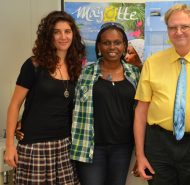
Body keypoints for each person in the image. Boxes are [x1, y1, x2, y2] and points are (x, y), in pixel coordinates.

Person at [133, 4, 190, 185]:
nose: (178, 32)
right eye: (173, 27)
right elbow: (141, 112)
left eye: (184, 26)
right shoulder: (152, 63)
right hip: (158, 143)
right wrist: (140, 155)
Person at [4, 10, 85, 184]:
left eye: (67, 31)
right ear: (49, 36)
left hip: (64, 145)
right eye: (57, 32)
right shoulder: (34, 64)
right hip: (35, 145)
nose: (63, 36)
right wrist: (10, 146)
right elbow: (14, 105)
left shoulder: (75, 67)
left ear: (73, 35)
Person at [70, 22, 140, 185]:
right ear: (99, 46)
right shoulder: (84, 73)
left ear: (124, 46)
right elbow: (64, 102)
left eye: (117, 42)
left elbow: (142, 111)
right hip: (91, 147)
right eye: (106, 43)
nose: (112, 47)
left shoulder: (135, 74)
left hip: (123, 148)